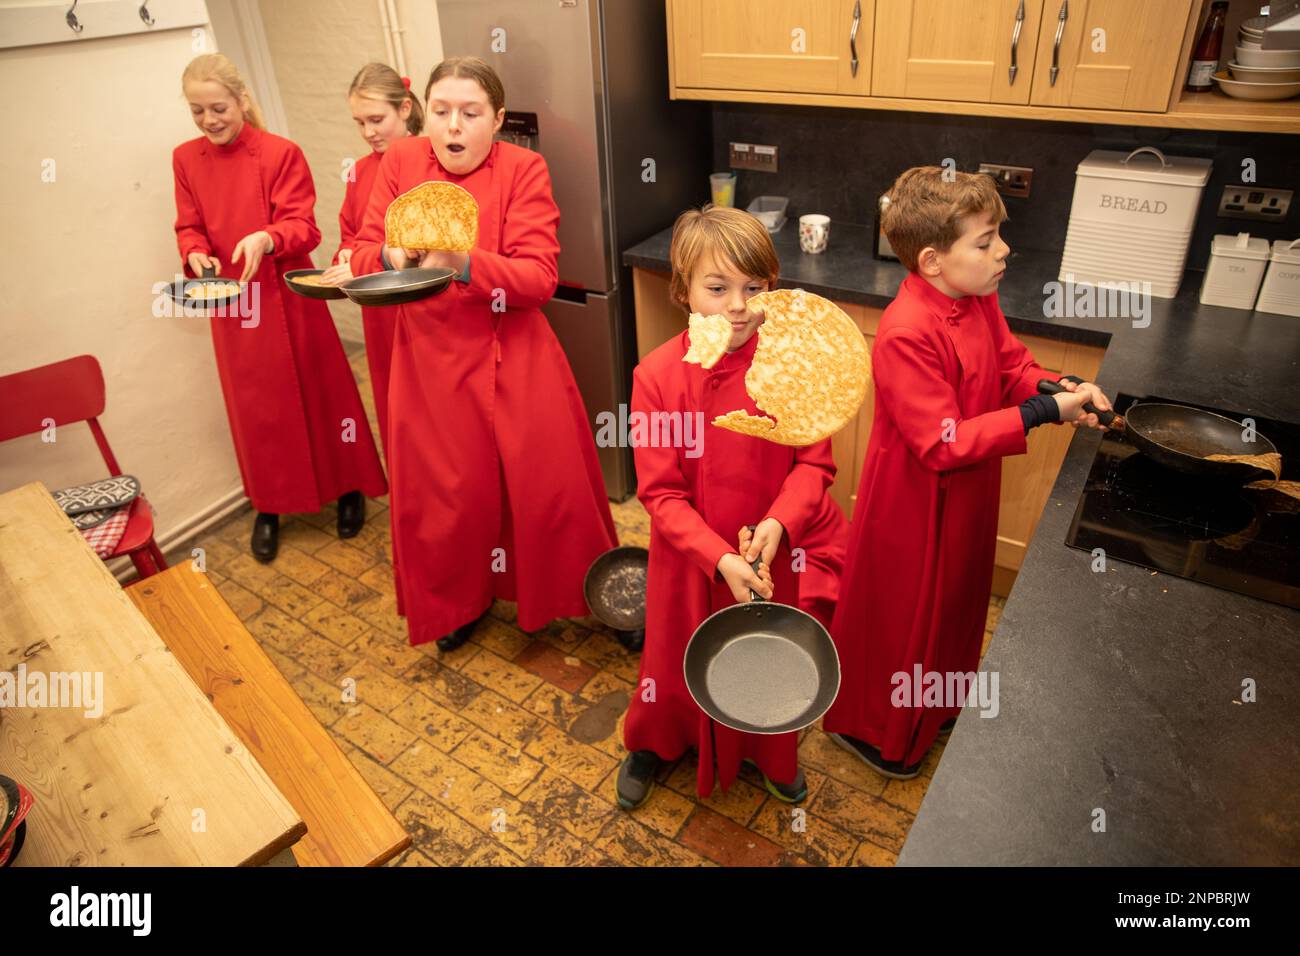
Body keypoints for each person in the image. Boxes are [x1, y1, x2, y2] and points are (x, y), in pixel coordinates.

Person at [823, 166, 1114, 779]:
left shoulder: (978, 296)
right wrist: (1041, 412)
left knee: (955, 602)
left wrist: (1057, 388)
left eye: (998, 235)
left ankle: (937, 705)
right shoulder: (904, 332)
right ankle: (878, 731)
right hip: (914, 500)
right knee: (905, 614)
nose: (1003, 250)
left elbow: (1009, 363)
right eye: (985, 242)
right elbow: (940, 441)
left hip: (971, 487)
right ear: (932, 260)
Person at [348, 56, 618, 650]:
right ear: (424, 115)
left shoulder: (524, 169)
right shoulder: (398, 162)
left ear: (496, 120)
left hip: (514, 352)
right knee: (450, 497)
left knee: (550, 489)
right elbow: (363, 252)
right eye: (441, 112)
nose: (453, 127)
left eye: (470, 114)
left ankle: (594, 594)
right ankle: (462, 599)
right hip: (427, 358)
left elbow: (538, 279)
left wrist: (463, 261)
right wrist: (393, 258)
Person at [616, 205, 847, 810]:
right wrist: (717, 558)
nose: (739, 305)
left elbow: (814, 465)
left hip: (770, 555)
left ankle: (770, 748)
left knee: (765, 656)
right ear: (683, 291)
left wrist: (779, 523)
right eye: (718, 288)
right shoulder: (657, 377)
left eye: (755, 287)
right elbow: (660, 493)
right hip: (693, 559)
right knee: (672, 655)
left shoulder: (793, 367)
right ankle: (656, 741)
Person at [172, 53, 387, 563]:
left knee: (323, 398)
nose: (210, 121)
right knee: (256, 413)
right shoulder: (185, 159)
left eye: (218, 107)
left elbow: (305, 228)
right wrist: (195, 250)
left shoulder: (279, 152)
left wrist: (267, 238)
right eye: (198, 112)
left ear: (242, 100)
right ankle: (269, 505)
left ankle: (349, 487)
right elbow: (188, 224)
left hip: (289, 296)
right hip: (233, 303)